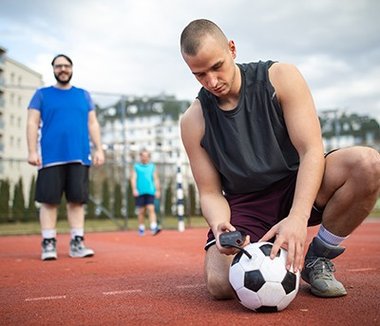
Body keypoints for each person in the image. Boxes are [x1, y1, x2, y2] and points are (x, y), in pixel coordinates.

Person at [179, 19, 380, 299]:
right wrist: (219, 225)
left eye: (217, 66)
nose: (212, 81)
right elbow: (210, 192)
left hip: (296, 184)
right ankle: (270, 245)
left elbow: (311, 151)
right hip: (247, 204)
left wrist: (298, 217)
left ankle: (317, 258)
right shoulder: (193, 120)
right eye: (199, 74)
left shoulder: (280, 77)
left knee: (368, 164)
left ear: (232, 49)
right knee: (220, 285)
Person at [27, 54, 105, 261]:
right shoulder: (41, 94)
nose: (63, 69)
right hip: (50, 157)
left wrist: (99, 149)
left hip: (79, 156)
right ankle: (48, 243)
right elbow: (32, 123)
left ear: (72, 69)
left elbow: (93, 123)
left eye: (66, 66)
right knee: (49, 202)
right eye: (58, 66)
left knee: (77, 201)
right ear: (53, 69)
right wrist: (32, 151)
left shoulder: (83, 95)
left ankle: (77, 243)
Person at [131, 149, 161, 236]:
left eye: (146, 156)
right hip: (140, 192)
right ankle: (141, 228)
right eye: (143, 156)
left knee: (151, 208)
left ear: (149, 157)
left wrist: (158, 190)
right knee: (141, 211)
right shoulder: (136, 167)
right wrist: (134, 189)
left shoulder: (152, 167)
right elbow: (133, 178)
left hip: (150, 191)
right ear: (140, 157)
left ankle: (153, 227)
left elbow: (156, 179)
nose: (145, 158)